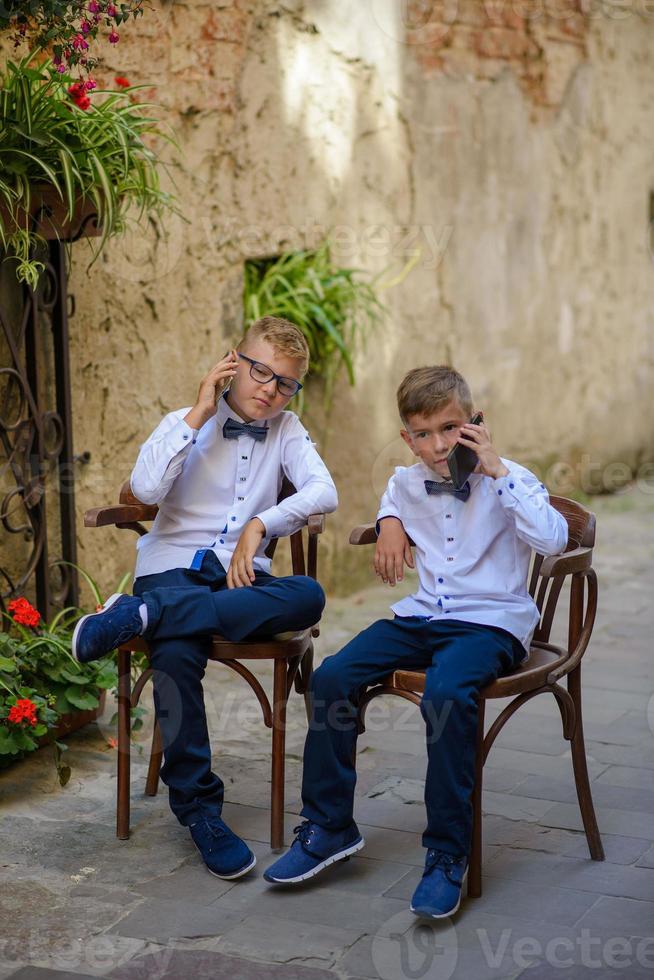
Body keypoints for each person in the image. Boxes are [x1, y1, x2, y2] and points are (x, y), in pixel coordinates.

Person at [264, 365, 568, 919]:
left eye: (450, 429)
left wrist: (497, 469)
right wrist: (388, 522)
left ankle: (447, 854)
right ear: (407, 437)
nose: (437, 446)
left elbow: (553, 537)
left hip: (492, 623)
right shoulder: (403, 483)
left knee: (448, 694)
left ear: (475, 424)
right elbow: (392, 498)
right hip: (424, 616)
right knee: (332, 676)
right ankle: (330, 826)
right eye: (422, 434)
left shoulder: (509, 477)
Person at [72, 316, 338, 881]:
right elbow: (144, 492)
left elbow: (324, 491)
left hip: (239, 581)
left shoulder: (288, 431)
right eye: (259, 370)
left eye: (283, 382)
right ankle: (199, 812)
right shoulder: (183, 422)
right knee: (174, 654)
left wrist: (262, 523)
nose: (268, 388)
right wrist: (198, 410)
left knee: (307, 596)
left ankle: (141, 616)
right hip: (170, 568)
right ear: (232, 362)